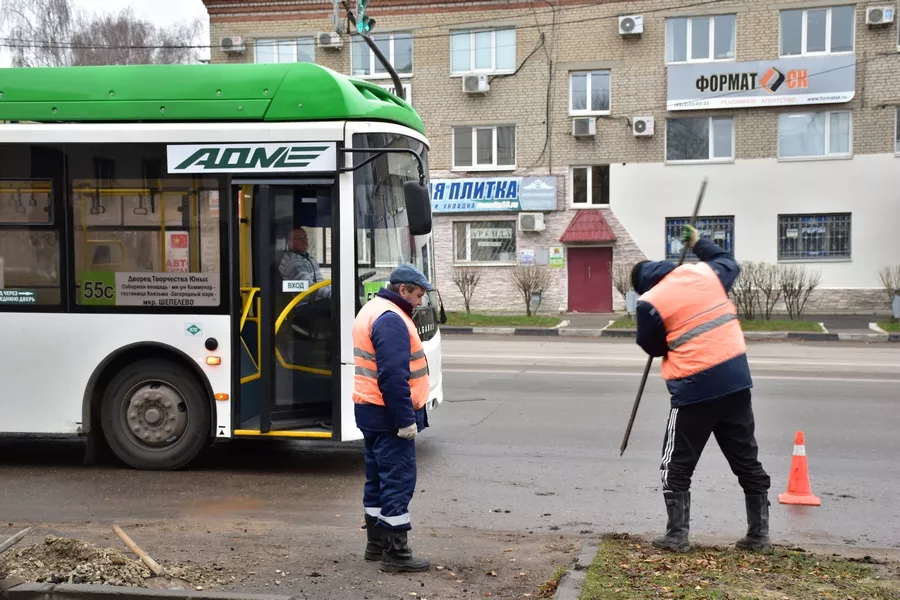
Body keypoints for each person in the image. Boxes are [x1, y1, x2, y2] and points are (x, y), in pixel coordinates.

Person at [630, 224, 771, 553]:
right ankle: (759, 536)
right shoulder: (706, 274)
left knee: (675, 464)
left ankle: (677, 536)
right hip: (736, 383)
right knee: (745, 459)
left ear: (641, 286)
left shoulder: (649, 302)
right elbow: (728, 261)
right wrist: (697, 242)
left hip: (695, 389)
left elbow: (651, 346)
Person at [352, 264, 432, 572]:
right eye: (417, 294)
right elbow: (394, 376)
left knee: (376, 480)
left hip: (370, 410)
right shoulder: (392, 320)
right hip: (389, 416)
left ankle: (376, 544)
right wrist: (404, 420)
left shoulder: (372, 309)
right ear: (402, 290)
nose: (420, 302)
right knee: (397, 480)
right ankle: (397, 554)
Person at [278, 227, 331, 338]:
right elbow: (308, 287)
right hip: (304, 305)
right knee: (338, 306)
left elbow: (320, 282)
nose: (304, 241)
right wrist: (333, 294)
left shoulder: (309, 258)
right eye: (299, 238)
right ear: (290, 242)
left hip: (315, 301)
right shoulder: (292, 262)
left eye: (305, 237)